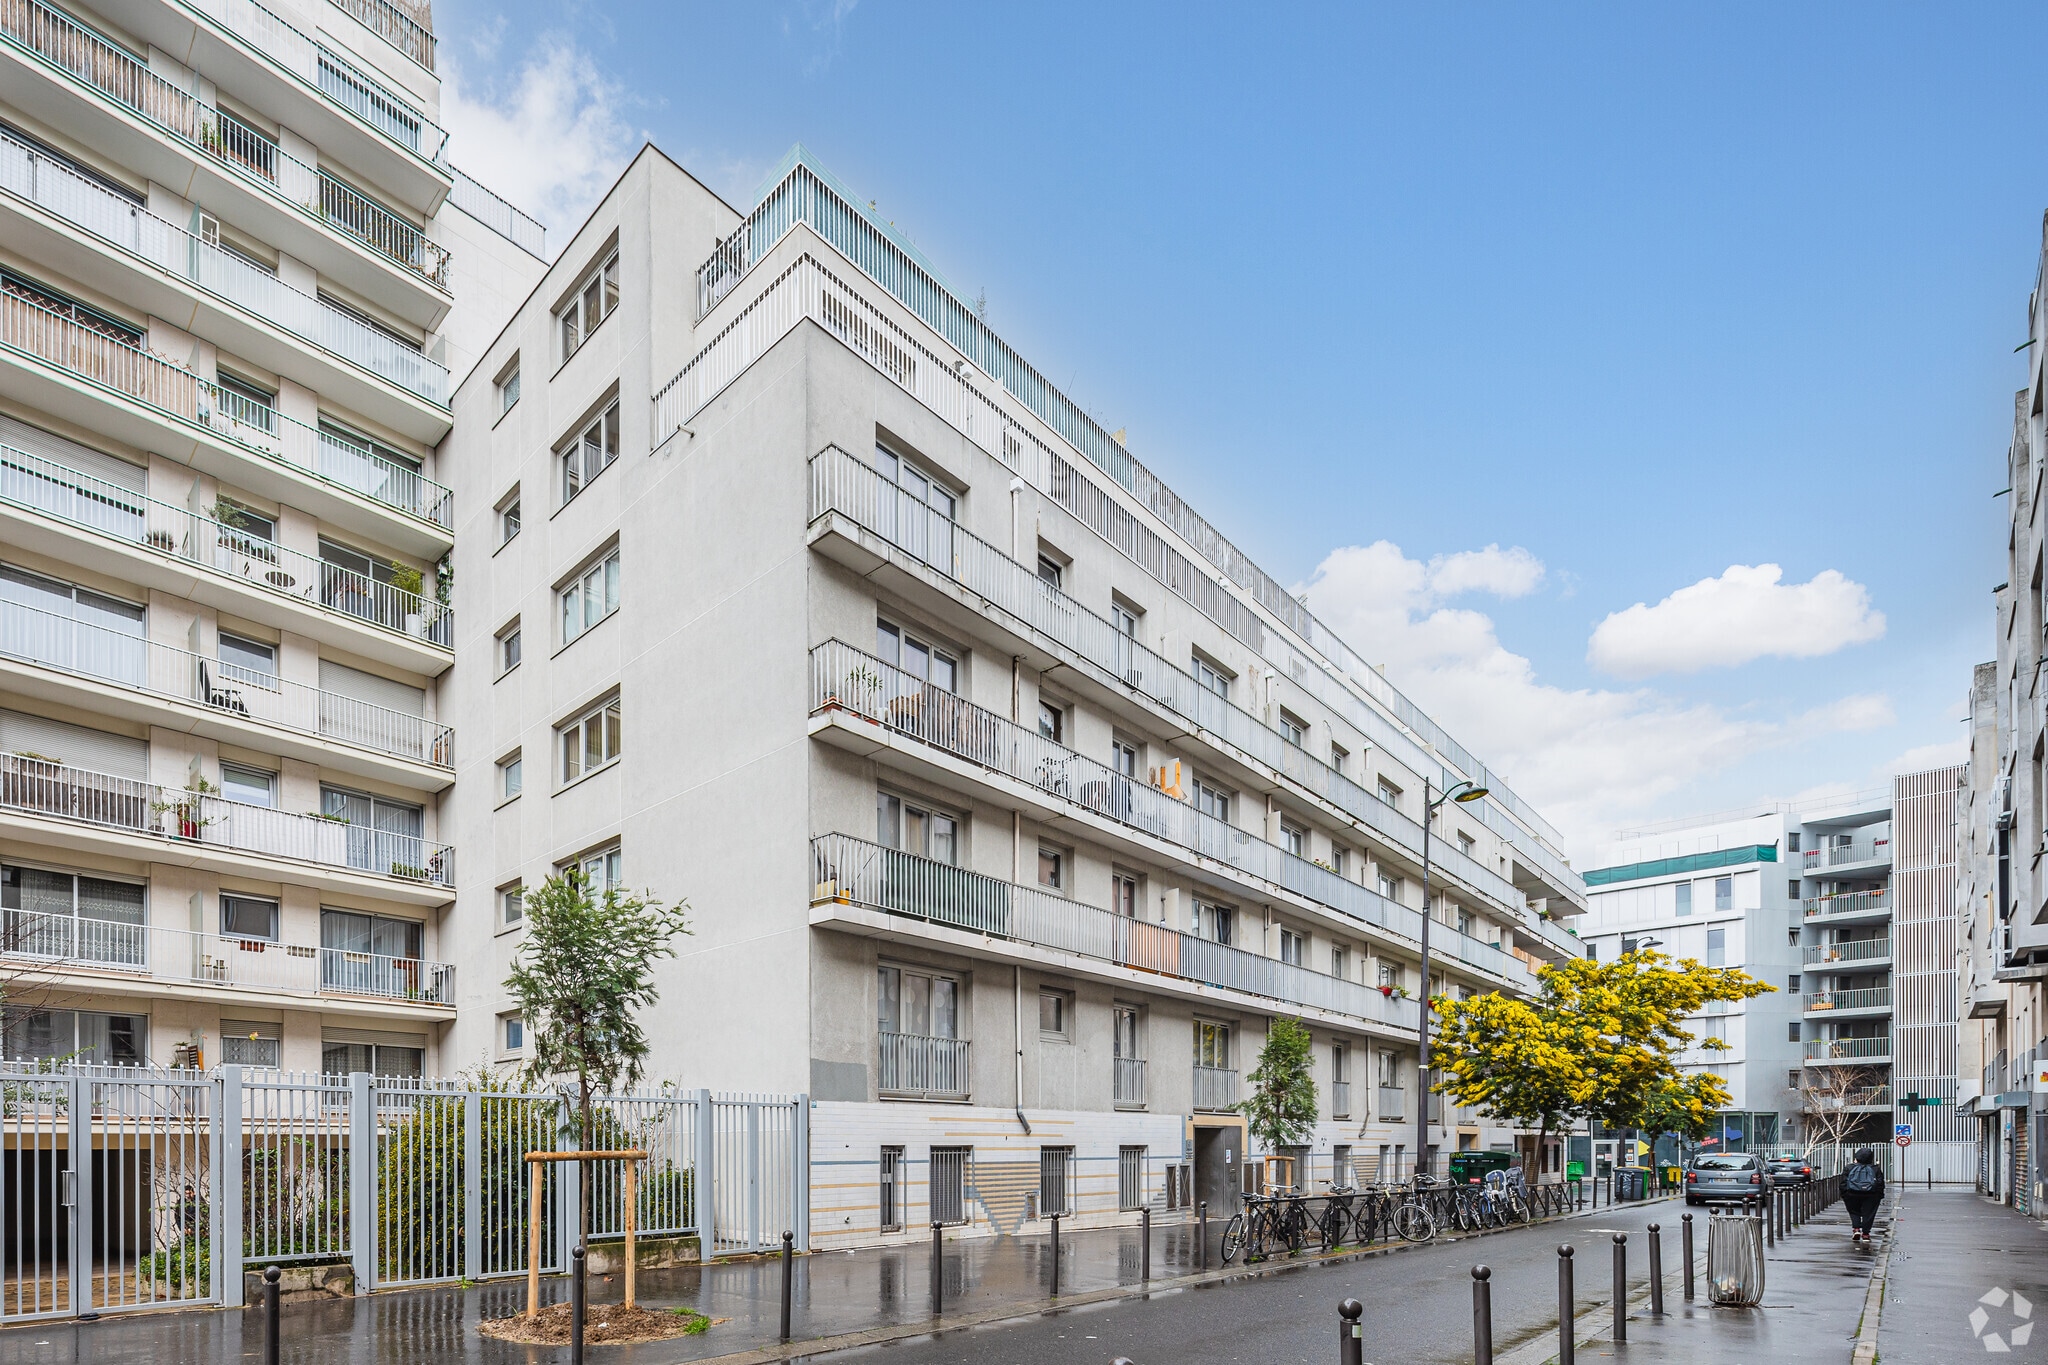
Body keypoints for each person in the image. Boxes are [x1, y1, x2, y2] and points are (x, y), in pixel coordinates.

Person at [1841, 1147, 1885, 1243]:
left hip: (1852, 1194)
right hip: (1871, 1195)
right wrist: (1879, 1195)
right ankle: (1865, 1234)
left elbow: (1843, 1183)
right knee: (1869, 1214)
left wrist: (1844, 1194)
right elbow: (1880, 1183)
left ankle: (1856, 1229)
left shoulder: (1849, 1167)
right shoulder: (1875, 1169)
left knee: (1854, 1212)